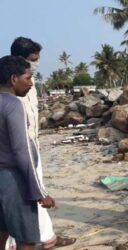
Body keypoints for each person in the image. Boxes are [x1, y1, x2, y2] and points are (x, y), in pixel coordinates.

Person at [8, 37, 76, 249]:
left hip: (30, 149)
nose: (37, 64)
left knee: (33, 194)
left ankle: (47, 237)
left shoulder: (29, 82)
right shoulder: (10, 89)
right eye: (33, 60)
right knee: (26, 198)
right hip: (17, 153)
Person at [0, 55, 56, 250]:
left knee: (2, 232)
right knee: (27, 240)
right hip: (14, 181)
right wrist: (38, 192)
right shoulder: (13, 104)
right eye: (28, 78)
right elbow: (21, 150)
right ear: (13, 79)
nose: (31, 83)